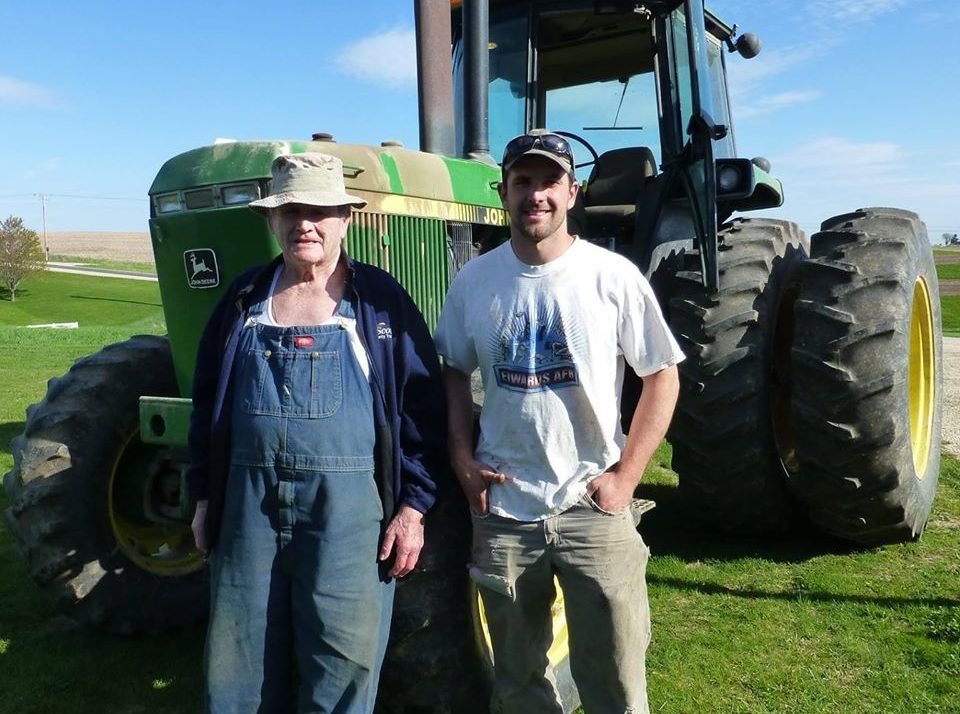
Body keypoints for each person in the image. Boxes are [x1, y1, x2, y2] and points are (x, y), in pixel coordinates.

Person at [434, 129, 684, 714]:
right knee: (517, 683)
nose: (536, 195)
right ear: (504, 191)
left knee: (616, 681)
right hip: (505, 513)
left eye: (549, 182)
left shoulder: (612, 276)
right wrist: (461, 457)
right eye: (523, 182)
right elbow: (451, 369)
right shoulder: (475, 280)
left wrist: (626, 478)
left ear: (573, 191)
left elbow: (662, 375)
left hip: (593, 509)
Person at [186, 152, 446, 714]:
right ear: (271, 221)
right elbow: (207, 405)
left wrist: (412, 509)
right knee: (239, 663)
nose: (306, 223)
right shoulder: (242, 300)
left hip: (349, 515)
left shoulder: (379, 304)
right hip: (246, 511)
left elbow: (422, 413)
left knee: (342, 663)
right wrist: (204, 496)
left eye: (322, 211)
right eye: (292, 210)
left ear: (345, 220)